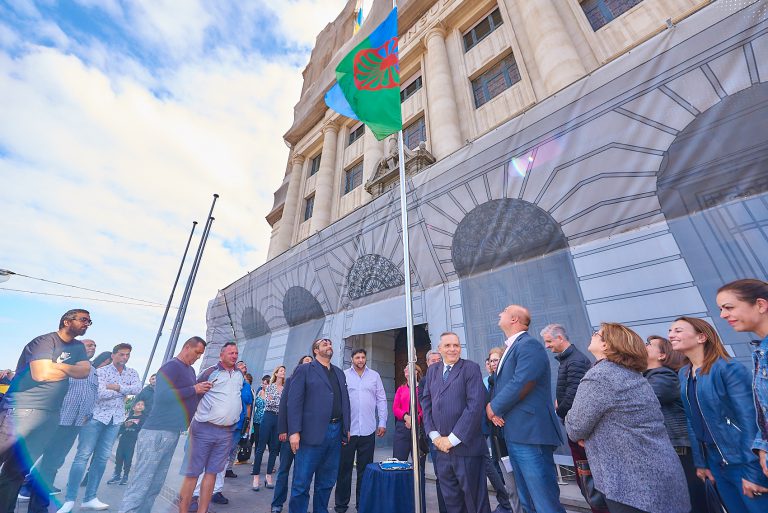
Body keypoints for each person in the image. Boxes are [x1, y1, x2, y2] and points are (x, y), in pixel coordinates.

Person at [566, 323, 689, 513]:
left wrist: (578, 427)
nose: (593, 335)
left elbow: (575, 427)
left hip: (630, 485)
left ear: (607, 345)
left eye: (597, 333)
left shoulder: (600, 376)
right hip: (661, 474)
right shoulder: (632, 374)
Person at [670, 316, 768, 512]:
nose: (671, 335)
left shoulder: (728, 368)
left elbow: (750, 421)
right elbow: (692, 420)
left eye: (678, 330)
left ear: (701, 337)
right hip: (715, 462)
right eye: (670, 331)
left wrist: (753, 472)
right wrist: (701, 463)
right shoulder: (684, 373)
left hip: (742, 459)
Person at [0, 309, 91, 511]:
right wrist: (70, 369)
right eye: (84, 319)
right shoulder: (44, 341)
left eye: (89, 321)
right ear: (67, 321)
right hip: (21, 410)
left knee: (17, 470)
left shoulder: (78, 347)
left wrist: (58, 367)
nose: (87, 323)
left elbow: (85, 371)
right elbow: (41, 374)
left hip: (49, 415)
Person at [486, 305, 565, 513]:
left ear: (514, 319)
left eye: (504, 311)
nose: (499, 313)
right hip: (516, 433)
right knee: (527, 501)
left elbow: (522, 381)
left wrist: (494, 406)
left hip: (531, 434)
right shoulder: (511, 348)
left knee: (544, 502)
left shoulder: (529, 345)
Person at [118, 336, 210, 513]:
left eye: (201, 354)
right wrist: (194, 389)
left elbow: (185, 397)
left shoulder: (190, 370)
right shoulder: (171, 367)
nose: (198, 357)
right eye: (197, 352)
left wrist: (200, 391)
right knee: (142, 482)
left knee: (155, 484)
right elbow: (162, 396)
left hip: (172, 431)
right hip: (157, 431)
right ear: (187, 347)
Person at [59, 342, 141, 512]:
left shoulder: (132, 373)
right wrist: (124, 391)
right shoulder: (101, 371)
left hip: (115, 420)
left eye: (127, 355)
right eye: (121, 354)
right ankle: (70, 499)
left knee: (102, 459)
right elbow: (100, 393)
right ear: (113, 355)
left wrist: (117, 387)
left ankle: (90, 498)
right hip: (95, 418)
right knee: (83, 456)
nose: (125, 357)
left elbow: (137, 389)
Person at [24, 339, 99, 513]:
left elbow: (94, 395)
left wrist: (88, 414)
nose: (93, 347)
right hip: (55, 420)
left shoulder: (93, 372)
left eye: (95, 346)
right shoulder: (63, 364)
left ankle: (38, 505)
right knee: (33, 457)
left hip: (75, 424)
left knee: (54, 462)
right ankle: (18, 490)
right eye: (89, 345)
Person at [422, 332, 490, 513]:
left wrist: (451, 440)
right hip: (441, 451)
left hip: (466, 449)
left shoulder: (470, 368)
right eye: (447, 345)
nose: (452, 349)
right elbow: (426, 403)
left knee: (475, 503)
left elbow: (474, 407)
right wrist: (435, 437)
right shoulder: (432, 371)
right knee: (452, 502)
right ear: (439, 349)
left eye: (456, 345)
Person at [541, 323, 605, 513]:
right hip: (574, 426)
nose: (547, 346)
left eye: (549, 341)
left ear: (560, 338)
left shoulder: (575, 361)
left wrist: (559, 409)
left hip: (579, 430)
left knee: (589, 480)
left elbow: (574, 395)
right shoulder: (568, 359)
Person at [178, 342, 244, 513]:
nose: (234, 356)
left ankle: (203, 510)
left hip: (226, 432)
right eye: (230, 353)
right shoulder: (209, 372)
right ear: (221, 355)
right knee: (193, 473)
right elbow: (193, 395)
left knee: (212, 473)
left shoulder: (239, 374)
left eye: (236, 353)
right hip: (204, 429)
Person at [286, 339, 350, 513]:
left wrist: (346, 428)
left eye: (330, 344)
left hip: (336, 432)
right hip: (310, 434)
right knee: (301, 482)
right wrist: (294, 432)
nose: (329, 345)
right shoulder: (304, 370)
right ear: (315, 350)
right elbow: (294, 402)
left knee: (327, 481)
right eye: (324, 344)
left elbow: (345, 401)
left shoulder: (339, 373)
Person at [643, 335, 705, 513]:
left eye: (649, 344)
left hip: (679, 449)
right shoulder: (648, 377)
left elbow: (643, 401)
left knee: (692, 501)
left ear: (662, 355)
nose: (644, 346)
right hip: (669, 448)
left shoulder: (665, 376)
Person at [717, 278, 768, 479]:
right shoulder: (760, 351)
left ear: (761, 305)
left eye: (729, 307)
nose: (723, 315)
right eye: (721, 309)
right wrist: (763, 446)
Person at [335, 348, 387, 513]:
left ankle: (362, 505)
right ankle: (341, 506)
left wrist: (382, 422)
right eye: (357, 357)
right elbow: (338, 400)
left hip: (368, 430)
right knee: (344, 469)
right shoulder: (343, 375)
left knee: (365, 471)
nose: (360, 360)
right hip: (348, 431)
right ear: (352, 359)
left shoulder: (374, 376)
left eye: (363, 357)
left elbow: (381, 399)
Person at [270, 356, 313, 513]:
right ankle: (277, 503)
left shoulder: (315, 385)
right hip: (289, 435)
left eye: (311, 362)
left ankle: (296, 507)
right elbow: (284, 406)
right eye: (306, 361)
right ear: (300, 365)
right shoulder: (291, 380)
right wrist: (283, 429)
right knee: (284, 470)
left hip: (306, 436)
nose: (309, 363)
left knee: (300, 474)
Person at [484, 347, 522, 513]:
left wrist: (496, 412)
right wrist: (491, 415)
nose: (493, 363)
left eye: (496, 360)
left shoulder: (510, 380)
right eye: (491, 361)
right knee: (510, 485)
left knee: (520, 484)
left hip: (513, 438)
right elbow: (487, 407)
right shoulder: (491, 382)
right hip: (499, 441)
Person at [252, 365, 285, 491]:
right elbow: (269, 402)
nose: (283, 372)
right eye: (281, 371)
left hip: (278, 419)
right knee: (260, 447)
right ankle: (256, 477)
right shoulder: (269, 386)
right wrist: (278, 402)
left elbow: (284, 405)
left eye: (284, 371)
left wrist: (276, 400)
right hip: (268, 416)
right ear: (276, 373)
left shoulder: (285, 388)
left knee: (274, 448)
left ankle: (268, 475)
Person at [423, 349, 448, 513]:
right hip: (436, 435)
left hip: (454, 434)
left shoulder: (449, 376)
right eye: (433, 361)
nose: (437, 363)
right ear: (427, 363)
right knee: (441, 475)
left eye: (439, 360)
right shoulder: (424, 381)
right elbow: (426, 408)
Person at [107, 399, 145, 485]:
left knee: (128, 459)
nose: (140, 406)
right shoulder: (129, 417)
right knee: (119, 458)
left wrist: (133, 425)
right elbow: (121, 428)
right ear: (133, 407)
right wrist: (124, 426)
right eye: (138, 404)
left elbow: (141, 430)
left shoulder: (143, 418)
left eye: (142, 404)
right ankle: (117, 475)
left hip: (131, 442)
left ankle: (125, 476)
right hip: (123, 440)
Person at [392, 364, 423, 464]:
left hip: (419, 428)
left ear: (416, 372)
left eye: (408, 367)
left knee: (419, 464)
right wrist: (406, 417)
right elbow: (395, 408)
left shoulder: (423, 389)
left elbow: (426, 408)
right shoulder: (401, 389)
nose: (405, 369)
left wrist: (415, 420)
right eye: (405, 368)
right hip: (402, 428)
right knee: (399, 462)